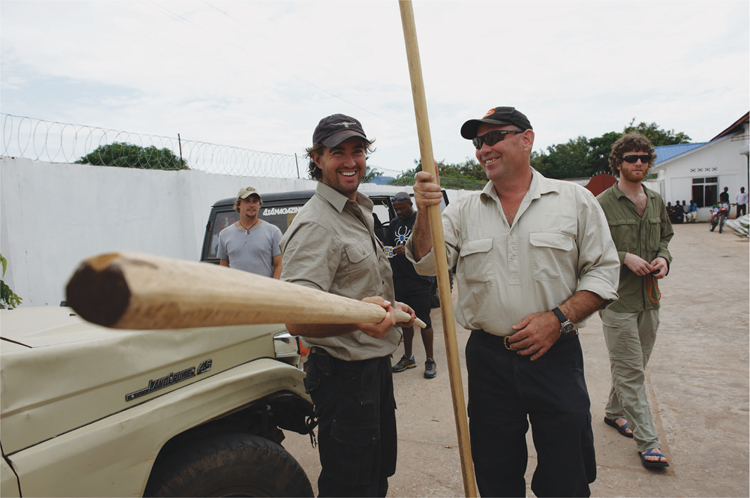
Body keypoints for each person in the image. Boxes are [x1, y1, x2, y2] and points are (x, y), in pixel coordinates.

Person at [406, 106, 620, 497]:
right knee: (494, 470)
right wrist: (424, 211)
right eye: (477, 142)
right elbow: (426, 265)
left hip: (555, 355)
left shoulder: (574, 200)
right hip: (489, 361)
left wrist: (558, 319)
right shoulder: (463, 210)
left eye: (493, 137)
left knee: (567, 472)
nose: (483, 149)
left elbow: (604, 274)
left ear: (527, 138)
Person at [279, 113, 415, 497]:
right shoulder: (316, 225)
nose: (350, 161)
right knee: (350, 487)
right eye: (337, 152)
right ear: (317, 158)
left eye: (358, 150)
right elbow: (295, 318)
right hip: (344, 378)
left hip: (372, 373)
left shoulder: (358, 211)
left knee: (375, 477)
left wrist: (392, 308)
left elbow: (354, 289)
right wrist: (359, 322)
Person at [597, 132, 674, 470]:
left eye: (644, 158)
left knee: (634, 366)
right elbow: (587, 248)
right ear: (618, 163)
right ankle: (649, 442)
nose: (639, 163)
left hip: (650, 300)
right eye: (632, 158)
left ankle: (614, 413)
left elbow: (665, 238)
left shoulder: (655, 201)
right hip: (617, 301)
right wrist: (624, 256)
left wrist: (664, 259)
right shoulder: (601, 204)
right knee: (631, 372)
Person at [387, 192, 437, 379]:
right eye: (396, 209)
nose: (398, 212)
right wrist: (389, 250)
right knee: (405, 321)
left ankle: (430, 360)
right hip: (399, 279)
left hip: (420, 280)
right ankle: (408, 357)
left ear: (411, 205)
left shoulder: (421, 222)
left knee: (424, 321)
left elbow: (429, 249)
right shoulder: (393, 224)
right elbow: (389, 249)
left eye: (402, 208)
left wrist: (407, 251)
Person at [217, 186, 283, 278]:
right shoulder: (225, 234)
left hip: (264, 291)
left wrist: (273, 289)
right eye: (247, 201)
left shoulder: (273, 231)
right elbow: (224, 267)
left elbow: (279, 265)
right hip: (236, 291)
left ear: (259, 204)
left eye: (255, 201)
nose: (252, 205)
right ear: (238, 204)